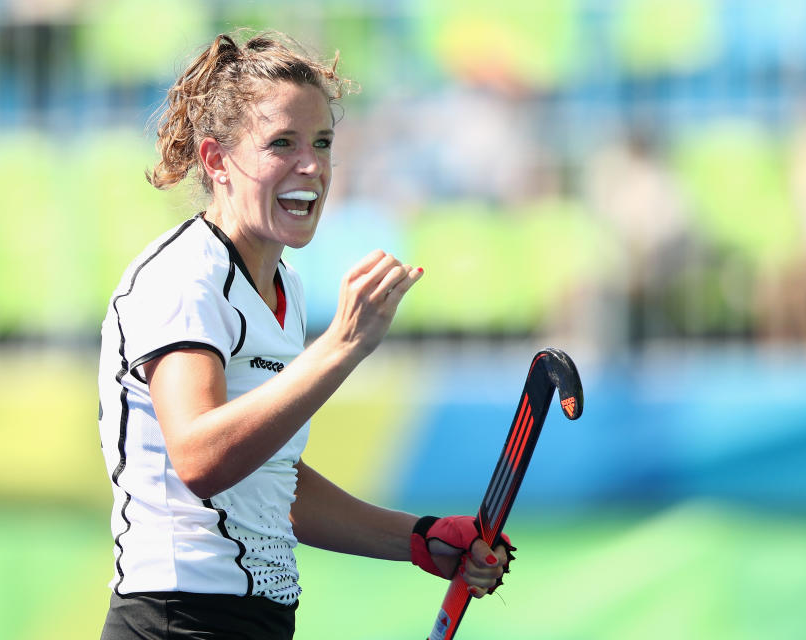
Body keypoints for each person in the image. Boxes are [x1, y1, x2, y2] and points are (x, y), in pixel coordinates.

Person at [97, 30, 513, 639]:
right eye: (281, 144)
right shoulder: (185, 277)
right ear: (216, 161)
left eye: (322, 142)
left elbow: (272, 484)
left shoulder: (283, 286)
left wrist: (418, 538)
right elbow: (201, 458)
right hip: (176, 622)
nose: (312, 166)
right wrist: (342, 348)